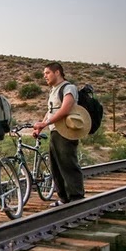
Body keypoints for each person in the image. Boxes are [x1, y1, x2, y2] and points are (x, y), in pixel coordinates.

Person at [33, 62, 88, 206]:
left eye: (47, 73)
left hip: (67, 131)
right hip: (55, 131)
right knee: (56, 165)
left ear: (57, 72)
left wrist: (45, 123)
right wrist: (42, 125)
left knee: (67, 163)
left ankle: (76, 197)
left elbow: (65, 109)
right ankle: (64, 198)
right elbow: (51, 110)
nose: (45, 76)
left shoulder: (68, 88)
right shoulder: (54, 90)